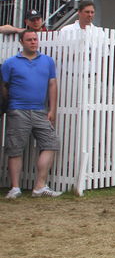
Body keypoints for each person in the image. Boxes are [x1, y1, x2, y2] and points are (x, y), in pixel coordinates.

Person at [3, 30, 61, 198]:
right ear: (21, 42)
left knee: (51, 143)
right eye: (29, 40)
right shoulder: (10, 63)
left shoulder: (47, 61)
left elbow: (52, 84)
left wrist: (52, 110)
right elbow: (4, 87)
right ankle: (15, 188)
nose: (33, 42)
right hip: (17, 111)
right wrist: (10, 105)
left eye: (35, 39)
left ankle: (39, 186)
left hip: (40, 111)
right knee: (15, 149)